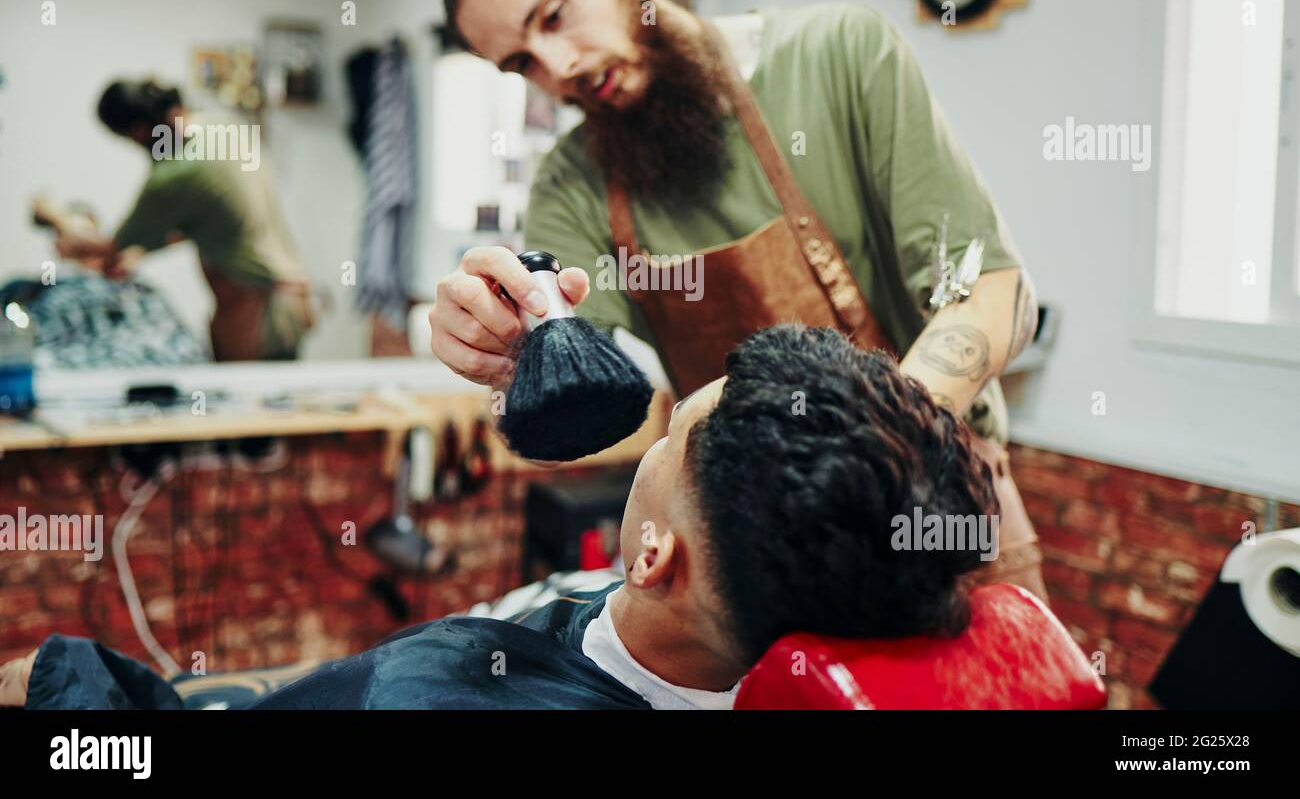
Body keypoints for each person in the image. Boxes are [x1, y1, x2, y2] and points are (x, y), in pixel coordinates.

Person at [428, 0, 1046, 599]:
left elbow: (993, 289)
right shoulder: (573, 183)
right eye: (522, 63)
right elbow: (562, 387)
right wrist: (508, 358)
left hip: (939, 515)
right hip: (749, 557)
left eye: (555, 15)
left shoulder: (838, 55)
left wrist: (869, 462)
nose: (557, 67)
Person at [6, 324, 995, 710]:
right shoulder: (829, 627)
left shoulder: (428, 691)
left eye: (669, 434)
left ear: (651, 557)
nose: (652, 434)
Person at [34, 79, 314, 361]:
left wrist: (52, 213)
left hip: (257, 313)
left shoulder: (175, 173)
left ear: (138, 131)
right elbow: (212, 217)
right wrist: (142, 248)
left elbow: (106, 246)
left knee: (247, 404)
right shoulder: (224, 127)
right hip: (291, 299)